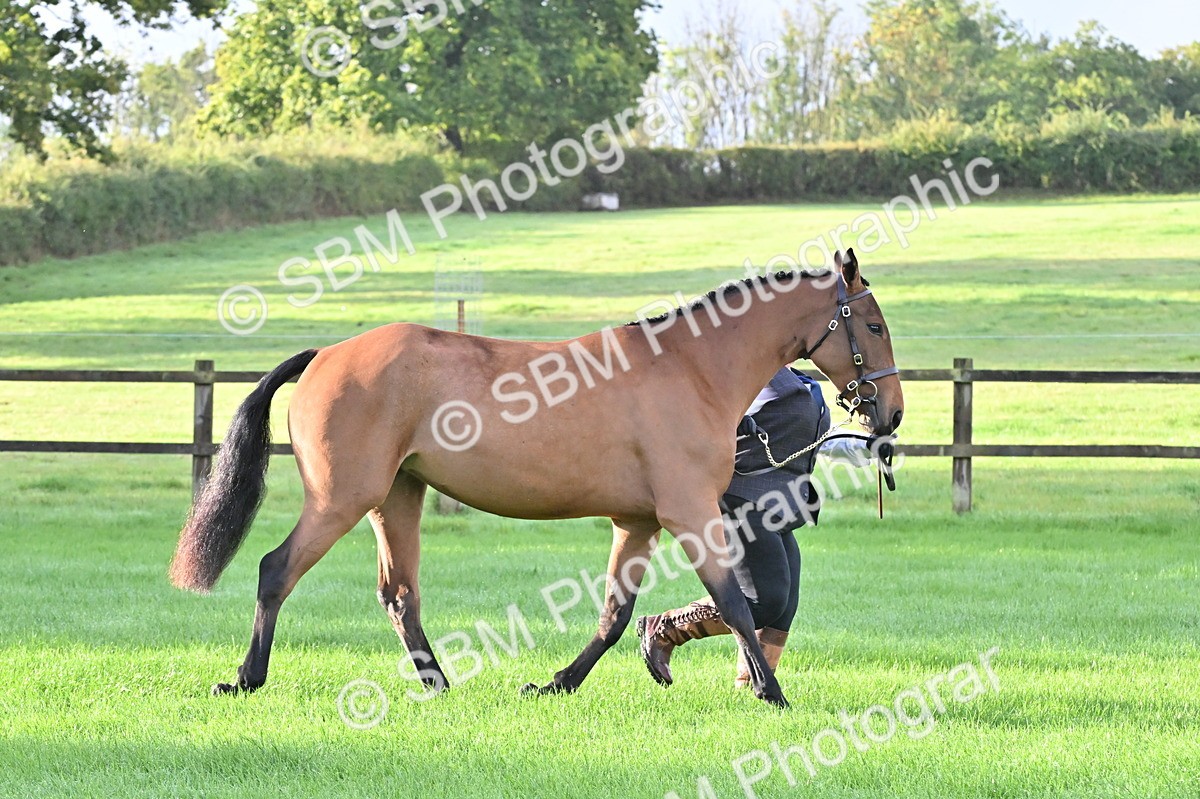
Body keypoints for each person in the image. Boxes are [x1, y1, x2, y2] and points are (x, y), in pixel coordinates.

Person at [636, 365, 887, 688]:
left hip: (780, 506)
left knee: (783, 608)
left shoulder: (801, 380)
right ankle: (666, 628)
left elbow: (813, 440)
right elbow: (701, 419)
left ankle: (749, 686)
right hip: (743, 500)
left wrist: (868, 447)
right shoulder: (749, 373)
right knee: (764, 601)